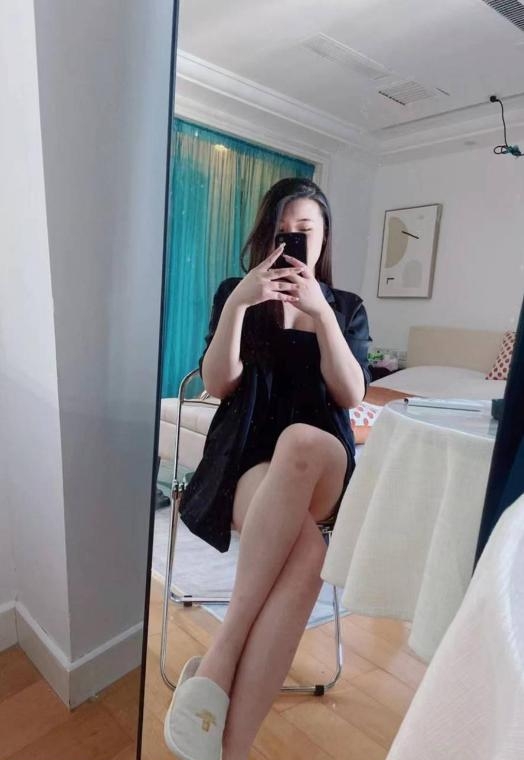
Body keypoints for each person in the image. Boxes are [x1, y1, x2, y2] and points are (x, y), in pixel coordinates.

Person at [164, 177, 371, 760]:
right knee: (308, 556)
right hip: (251, 457)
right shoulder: (238, 293)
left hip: (322, 458)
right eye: (284, 231)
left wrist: (321, 315)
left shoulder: (345, 306)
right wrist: (239, 303)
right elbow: (218, 383)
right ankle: (230, 750)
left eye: (306, 230)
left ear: (323, 237)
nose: (295, 240)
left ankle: (220, 654)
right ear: (266, 236)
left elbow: (351, 394)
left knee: (301, 441)